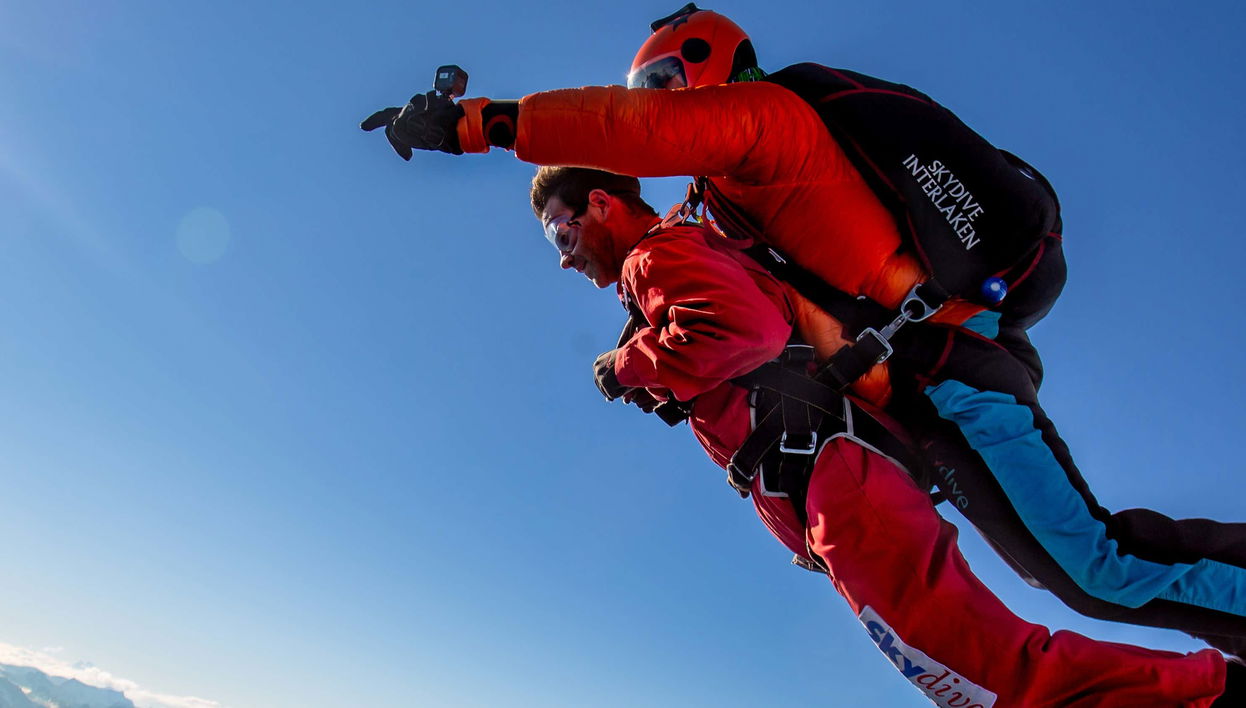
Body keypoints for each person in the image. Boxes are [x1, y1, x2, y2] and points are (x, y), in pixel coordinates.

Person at [360, 5, 1246, 656]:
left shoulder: (773, 121)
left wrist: (477, 126)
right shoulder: (720, 203)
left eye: (664, 84)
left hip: (958, 372)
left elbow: (628, 137)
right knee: (1066, 574)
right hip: (923, 405)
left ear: (714, 70)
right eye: (648, 89)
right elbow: (701, 289)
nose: (655, 102)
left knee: (1094, 566)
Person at [521, 165, 1237, 706]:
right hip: (834, 483)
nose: (562, 255)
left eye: (562, 229)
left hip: (834, 477)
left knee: (978, 672)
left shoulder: (655, 258)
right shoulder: (673, 259)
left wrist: (628, 364)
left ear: (604, 204)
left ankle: (1206, 694)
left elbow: (745, 330)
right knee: (964, 670)